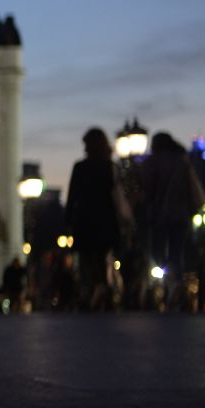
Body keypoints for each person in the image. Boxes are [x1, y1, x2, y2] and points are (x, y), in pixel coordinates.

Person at [139, 131, 205, 303]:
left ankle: (160, 285)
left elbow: (145, 190)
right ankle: (176, 282)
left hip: (159, 214)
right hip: (181, 215)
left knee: (157, 251)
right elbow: (194, 190)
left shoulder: (152, 163)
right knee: (177, 252)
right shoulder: (183, 162)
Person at [64, 127, 126, 311]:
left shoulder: (80, 167)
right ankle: (102, 291)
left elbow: (72, 196)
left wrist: (67, 221)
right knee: (102, 259)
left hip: (85, 221)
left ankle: (92, 293)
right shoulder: (110, 167)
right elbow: (117, 195)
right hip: (106, 220)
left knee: (87, 261)